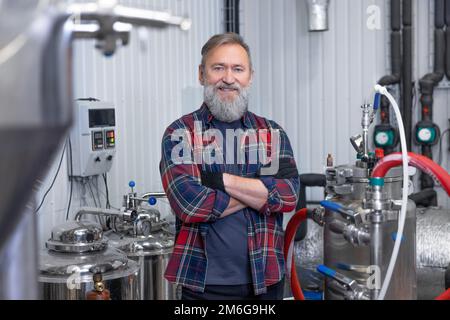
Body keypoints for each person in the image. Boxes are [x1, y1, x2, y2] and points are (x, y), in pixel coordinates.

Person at [160, 32, 300, 300]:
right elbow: (190, 204)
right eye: (218, 68)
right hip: (203, 286)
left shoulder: (271, 133)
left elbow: (289, 196)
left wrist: (218, 180)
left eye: (238, 69)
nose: (228, 78)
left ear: (250, 76)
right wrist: (260, 189)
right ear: (202, 74)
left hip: (266, 280)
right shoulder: (180, 133)